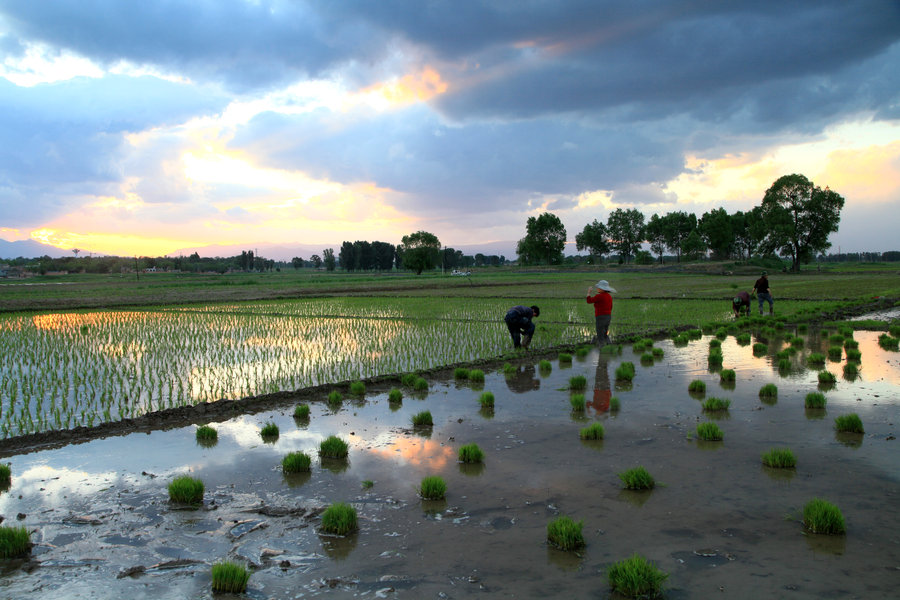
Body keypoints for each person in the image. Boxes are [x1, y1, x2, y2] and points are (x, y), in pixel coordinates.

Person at [586, 280, 616, 346]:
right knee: (605, 332)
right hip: (608, 316)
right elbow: (611, 307)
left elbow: (589, 300)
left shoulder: (599, 296)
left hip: (600, 317)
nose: (597, 288)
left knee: (600, 333)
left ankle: (602, 350)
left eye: (598, 287)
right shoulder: (609, 296)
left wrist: (588, 292)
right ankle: (610, 345)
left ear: (602, 289)